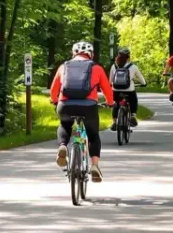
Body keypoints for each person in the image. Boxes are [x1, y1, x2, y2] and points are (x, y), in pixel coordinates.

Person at [50, 41, 114, 182]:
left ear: (74, 53)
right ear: (90, 54)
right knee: (93, 135)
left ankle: (63, 147)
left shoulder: (63, 66)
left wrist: (55, 101)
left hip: (65, 105)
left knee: (65, 124)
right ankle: (95, 165)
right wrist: (110, 103)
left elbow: (54, 89)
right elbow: (107, 90)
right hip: (89, 106)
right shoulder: (96, 68)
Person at [109, 47, 146, 129]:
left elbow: (110, 80)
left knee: (115, 104)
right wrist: (144, 83)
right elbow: (141, 79)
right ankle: (133, 115)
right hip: (129, 90)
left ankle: (115, 121)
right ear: (128, 57)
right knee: (134, 100)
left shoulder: (114, 66)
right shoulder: (133, 67)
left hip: (116, 90)